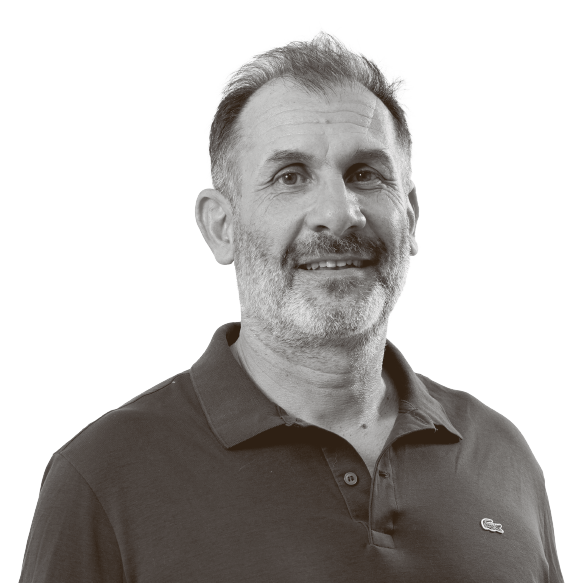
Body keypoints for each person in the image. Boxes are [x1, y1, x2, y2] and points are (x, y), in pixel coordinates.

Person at [20, 25, 563, 582]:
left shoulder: (503, 457)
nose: (339, 213)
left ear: (411, 214)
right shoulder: (101, 477)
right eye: (290, 177)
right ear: (221, 227)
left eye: (366, 174)